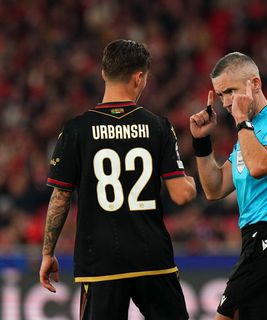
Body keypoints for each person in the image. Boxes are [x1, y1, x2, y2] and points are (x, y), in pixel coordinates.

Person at [39, 39, 196, 320]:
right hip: (152, 258)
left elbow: (60, 197)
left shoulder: (77, 130)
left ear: (103, 73)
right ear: (139, 77)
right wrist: (193, 183)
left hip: (100, 262)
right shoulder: (157, 126)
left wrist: (48, 253)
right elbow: (181, 194)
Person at [190, 52, 267, 320]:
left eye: (231, 91)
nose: (226, 102)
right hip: (266, 244)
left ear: (255, 83)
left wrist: (242, 122)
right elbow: (216, 188)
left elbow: (259, 166)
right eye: (221, 95)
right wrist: (201, 142)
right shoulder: (249, 130)